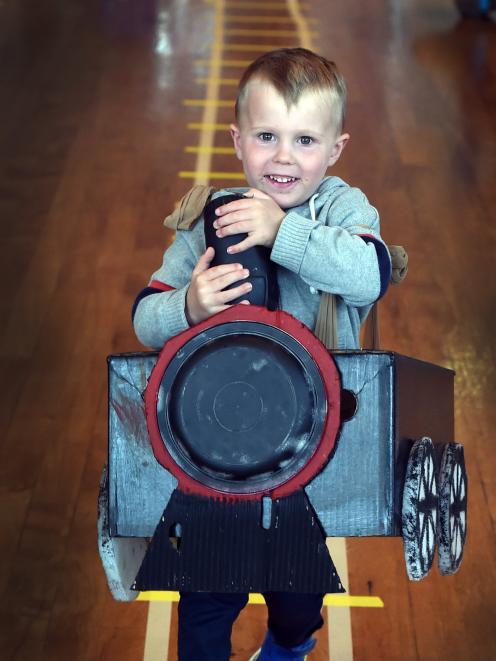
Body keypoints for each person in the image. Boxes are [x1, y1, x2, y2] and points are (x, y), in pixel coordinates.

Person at [132, 48, 391, 661]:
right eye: (267, 136)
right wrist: (188, 308)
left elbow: (369, 275)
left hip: (309, 443)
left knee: (298, 593)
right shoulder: (208, 220)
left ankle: (288, 644)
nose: (283, 157)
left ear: (334, 150)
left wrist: (284, 232)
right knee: (205, 595)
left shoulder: (341, 210)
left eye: (305, 140)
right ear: (238, 140)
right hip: (218, 445)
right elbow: (146, 318)